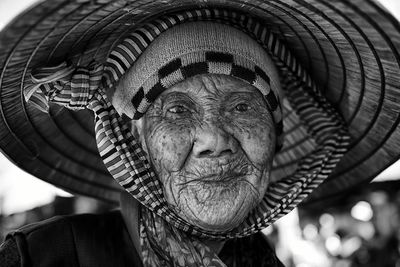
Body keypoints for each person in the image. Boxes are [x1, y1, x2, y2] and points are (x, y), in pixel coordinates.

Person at [0, 0, 399, 266]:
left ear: (275, 135)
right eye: (177, 110)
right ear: (137, 142)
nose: (214, 139)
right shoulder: (39, 258)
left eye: (242, 107)